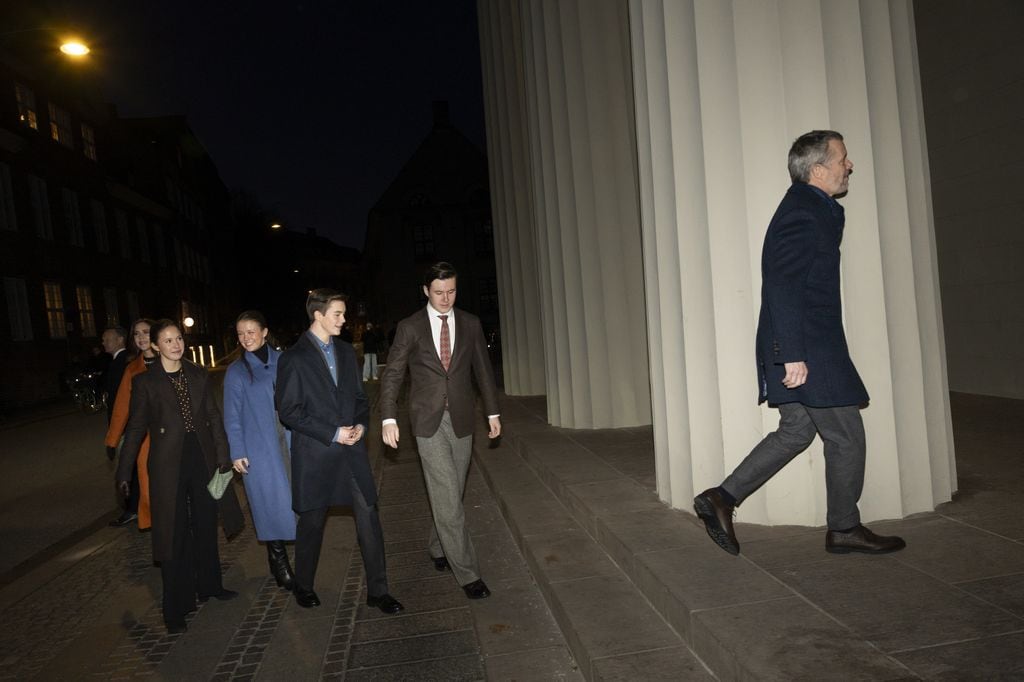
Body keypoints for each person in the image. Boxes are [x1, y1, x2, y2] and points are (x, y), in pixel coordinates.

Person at [693, 130, 906, 557]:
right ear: (818, 168)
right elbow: (783, 283)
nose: (850, 165)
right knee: (847, 438)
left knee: (795, 432)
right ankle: (844, 528)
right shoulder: (803, 212)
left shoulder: (815, 209)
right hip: (806, 346)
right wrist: (791, 354)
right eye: (843, 158)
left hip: (803, 343)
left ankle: (722, 498)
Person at [274, 289, 403, 614]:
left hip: (352, 455)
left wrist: (361, 425)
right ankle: (304, 585)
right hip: (317, 456)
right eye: (338, 314)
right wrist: (332, 433)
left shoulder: (347, 353)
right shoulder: (294, 358)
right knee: (312, 524)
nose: (344, 321)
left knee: (369, 516)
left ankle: (378, 591)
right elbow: (288, 410)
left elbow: (359, 399)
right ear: (318, 315)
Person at [379, 262, 501, 600]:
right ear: (425, 291)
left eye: (451, 291)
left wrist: (492, 411)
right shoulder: (410, 327)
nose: (445, 298)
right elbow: (393, 374)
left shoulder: (471, 323)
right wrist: (388, 417)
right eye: (438, 292)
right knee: (447, 493)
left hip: (462, 418)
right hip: (427, 421)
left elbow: (483, 371)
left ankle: (438, 546)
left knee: (453, 490)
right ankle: (468, 573)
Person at [116, 319, 244, 633]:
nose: (176, 345)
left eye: (178, 339)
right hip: (166, 465)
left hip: (202, 458)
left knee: (205, 522)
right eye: (168, 340)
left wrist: (223, 458)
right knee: (172, 533)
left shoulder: (198, 374)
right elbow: (134, 429)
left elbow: (214, 418)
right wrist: (123, 470)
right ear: (156, 346)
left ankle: (210, 585)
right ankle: (176, 608)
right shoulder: (146, 383)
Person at [223, 311, 296, 590]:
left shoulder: (284, 360)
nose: (246, 338)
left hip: (290, 440)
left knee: (298, 498)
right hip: (259, 448)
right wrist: (237, 451)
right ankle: (279, 563)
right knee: (269, 506)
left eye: (251, 332)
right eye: (240, 334)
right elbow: (231, 416)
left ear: (265, 332)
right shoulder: (236, 371)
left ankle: (304, 555)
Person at [105, 318, 158, 528]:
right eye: (136, 334)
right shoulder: (132, 369)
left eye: (146, 332)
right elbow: (121, 408)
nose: (141, 337)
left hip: (173, 436)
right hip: (145, 440)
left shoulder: (171, 360)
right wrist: (112, 440)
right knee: (148, 487)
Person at [101, 325, 128, 422]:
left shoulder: (122, 361)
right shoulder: (118, 360)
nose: (103, 343)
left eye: (107, 340)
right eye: (103, 340)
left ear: (120, 340)